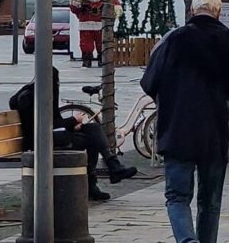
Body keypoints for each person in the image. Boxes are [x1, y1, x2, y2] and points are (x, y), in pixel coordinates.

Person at [141, 0, 229, 242]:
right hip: (216, 132)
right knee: (210, 201)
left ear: (192, 11)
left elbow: (149, 81)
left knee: (177, 197)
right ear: (219, 13)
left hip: (176, 129)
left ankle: (187, 240)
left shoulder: (171, 41)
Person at [13, 67, 138, 202]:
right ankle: (96, 181)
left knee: (93, 128)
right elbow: (46, 125)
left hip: (47, 135)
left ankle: (112, 166)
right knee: (91, 140)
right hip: (38, 140)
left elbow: (53, 122)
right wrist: (74, 120)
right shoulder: (35, 97)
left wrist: (73, 125)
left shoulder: (35, 92)